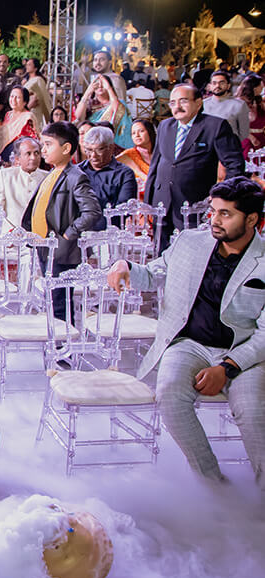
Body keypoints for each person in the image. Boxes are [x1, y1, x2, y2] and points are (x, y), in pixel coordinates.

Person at [107, 177, 265, 488]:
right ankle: (214, 486)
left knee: (253, 412)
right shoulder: (190, 242)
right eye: (213, 211)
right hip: (188, 344)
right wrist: (124, 265)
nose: (214, 220)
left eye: (225, 214)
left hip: (244, 351)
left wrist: (227, 368)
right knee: (169, 396)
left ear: (251, 220)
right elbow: (152, 275)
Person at [147, 83, 244, 250]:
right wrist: (149, 203)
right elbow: (155, 165)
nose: (177, 106)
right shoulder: (165, 126)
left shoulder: (215, 126)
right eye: (172, 102)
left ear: (198, 103)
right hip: (162, 202)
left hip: (194, 203)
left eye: (183, 101)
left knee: (192, 252)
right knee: (160, 252)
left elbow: (235, 165)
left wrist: (221, 197)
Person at [21, 121, 102, 319]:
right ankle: (55, 335)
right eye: (43, 144)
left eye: (48, 145)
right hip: (44, 245)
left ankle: (63, 337)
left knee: (60, 303)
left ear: (66, 148)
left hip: (60, 249)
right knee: (52, 298)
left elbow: (92, 211)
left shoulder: (75, 176)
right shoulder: (52, 173)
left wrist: (68, 234)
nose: (43, 149)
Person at [78, 125, 137, 227]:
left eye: (99, 150)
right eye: (89, 150)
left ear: (111, 148)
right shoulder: (77, 171)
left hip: (109, 231)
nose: (93, 155)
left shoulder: (124, 174)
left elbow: (123, 210)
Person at [0, 137, 48, 230]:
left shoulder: (47, 177)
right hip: (11, 234)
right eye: (28, 153)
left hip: (40, 234)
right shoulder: (6, 175)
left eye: (36, 153)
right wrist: (10, 232)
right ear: (17, 158)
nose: (33, 157)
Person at [74, 73, 133, 149]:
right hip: (91, 141)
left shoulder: (118, 103)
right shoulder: (90, 104)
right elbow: (78, 116)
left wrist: (108, 88)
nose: (100, 86)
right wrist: (88, 92)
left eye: (103, 84)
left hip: (111, 140)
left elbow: (117, 110)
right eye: (97, 84)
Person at [202, 69, 250, 145]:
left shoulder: (239, 105)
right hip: (207, 147)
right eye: (214, 83)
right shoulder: (202, 104)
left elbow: (244, 133)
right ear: (210, 86)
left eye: (221, 83)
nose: (217, 86)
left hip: (229, 147)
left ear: (228, 86)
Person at [0, 86, 39, 163]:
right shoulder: (8, 114)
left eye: (17, 97)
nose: (13, 100)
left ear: (25, 102)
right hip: (2, 153)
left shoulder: (28, 117)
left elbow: (29, 139)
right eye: (12, 96)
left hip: (17, 155)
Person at [116, 118, 155, 197]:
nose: (137, 135)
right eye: (133, 133)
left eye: (141, 131)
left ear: (150, 132)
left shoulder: (161, 153)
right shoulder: (126, 155)